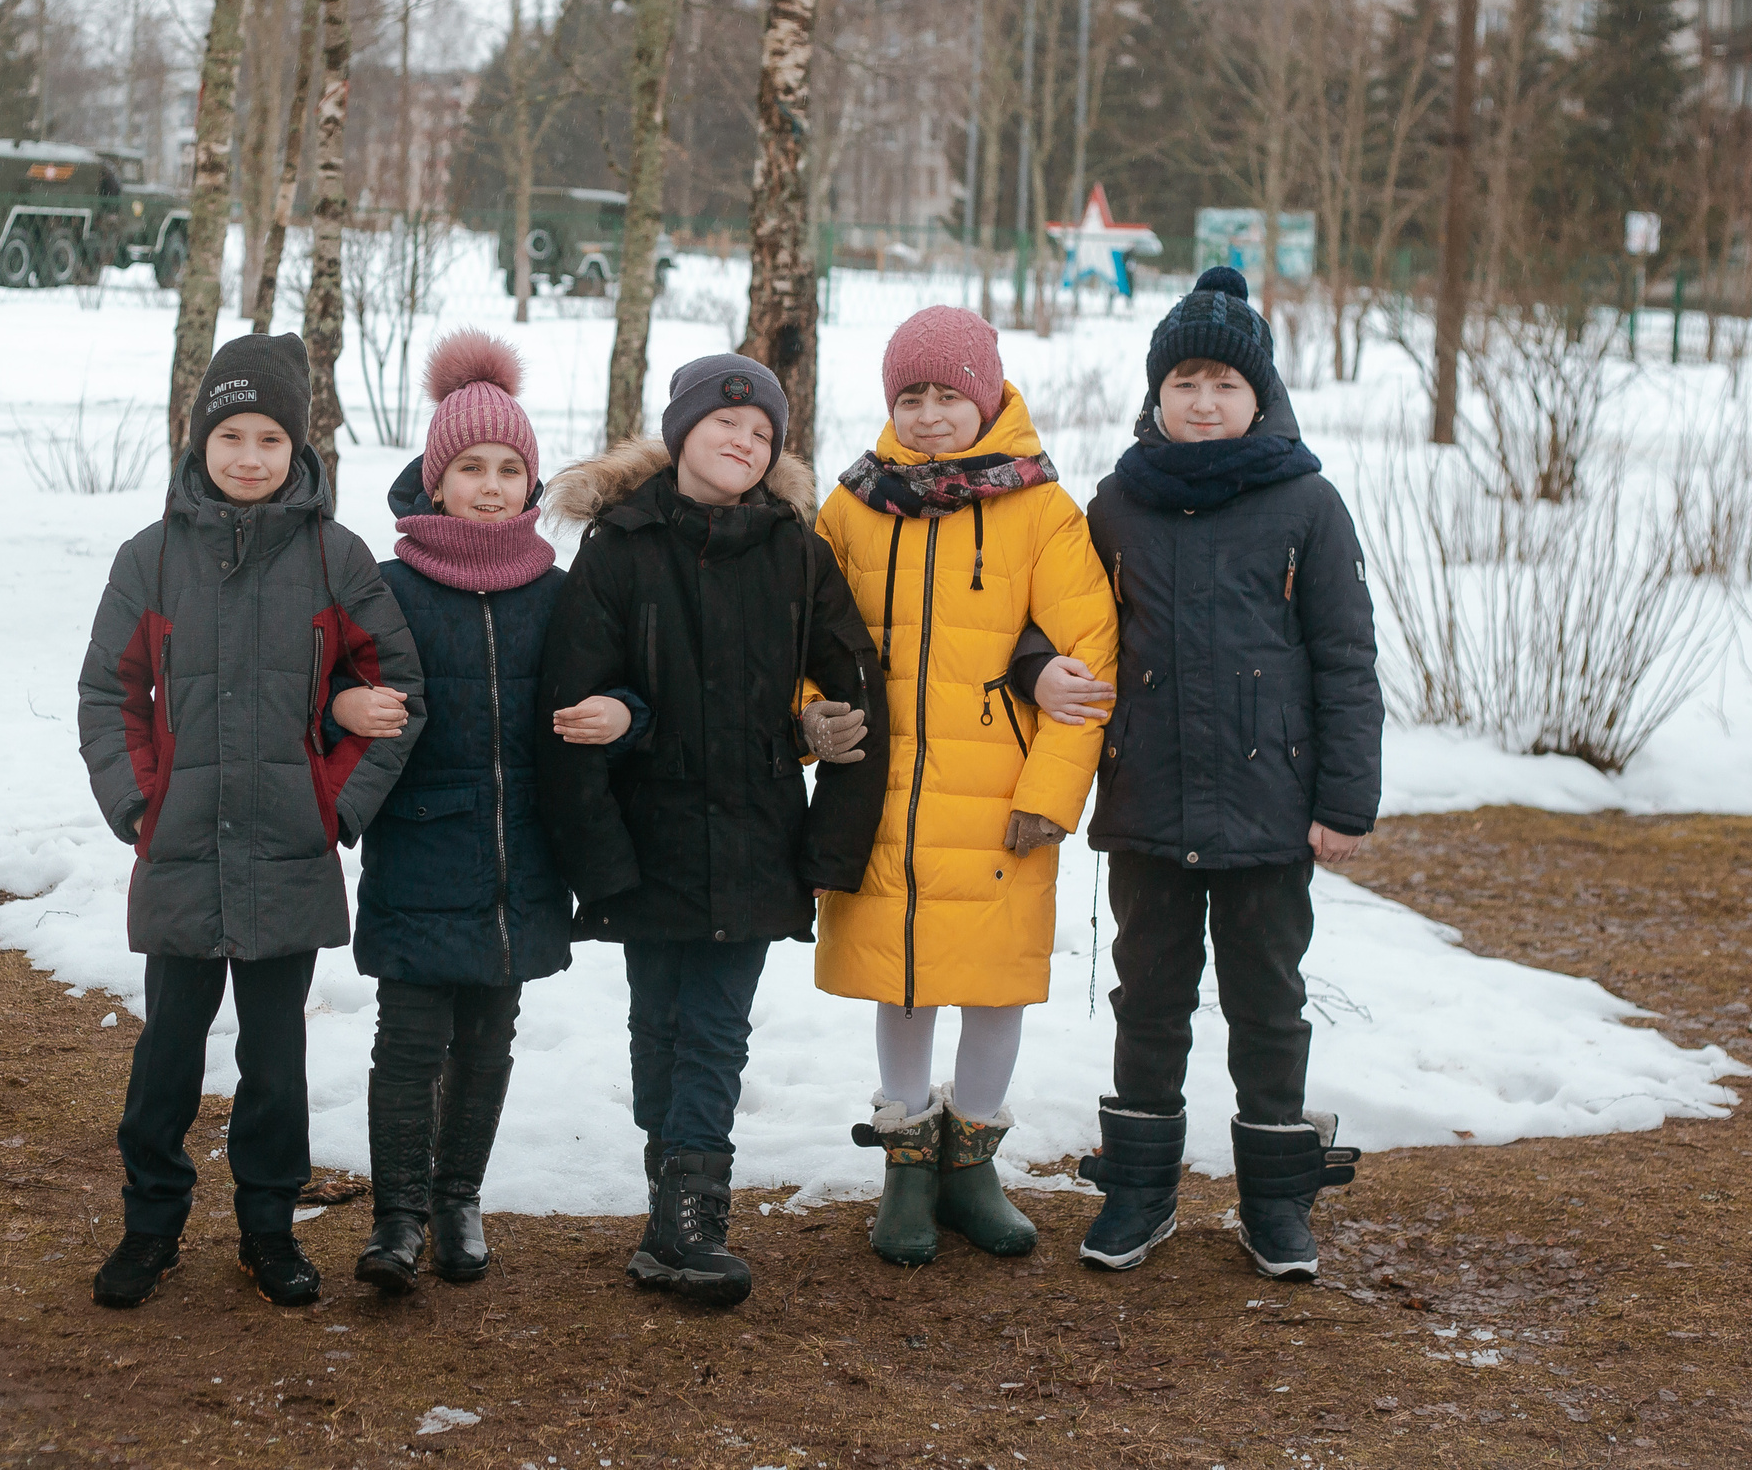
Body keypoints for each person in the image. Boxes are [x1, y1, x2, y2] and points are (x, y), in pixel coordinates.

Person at [76, 332, 425, 1311]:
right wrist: (139, 802)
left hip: (287, 853)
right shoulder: (149, 560)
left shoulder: (333, 558)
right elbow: (111, 694)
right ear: (199, 443)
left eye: (269, 437)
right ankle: (151, 1227)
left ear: (296, 448)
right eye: (230, 434)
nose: (248, 456)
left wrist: (336, 804)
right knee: (166, 1058)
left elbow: (397, 691)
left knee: (275, 1062)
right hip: (182, 853)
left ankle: (267, 1232)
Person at [538, 353, 890, 1308]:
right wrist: (598, 857)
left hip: (755, 833)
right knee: (659, 1019)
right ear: (682, 431)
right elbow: (571, 706)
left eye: (762, 433)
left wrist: (825, 792)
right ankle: (670, 1201)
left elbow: (856, 679)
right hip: (645, 836)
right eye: (724, 424)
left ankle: (695, 1217)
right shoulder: (618, 549)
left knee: (716, 1029)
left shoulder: (794, 550)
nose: (742, 442)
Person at [1060, 265, 1382, 1282]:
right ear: (1155, 395)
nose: (1203, 401)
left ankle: (1276, 1204)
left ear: (1260, 396)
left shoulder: (1305, 504)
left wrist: (1343, 803)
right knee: (1146, 998)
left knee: (1267, 1002)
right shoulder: (1114, 506)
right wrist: (1040, 669)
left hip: (1268, 815)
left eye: (1224, 385)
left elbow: (1344, 657)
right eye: (1184, 382)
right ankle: (1139, 1191)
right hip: (1148, 803)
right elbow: (1059, 624)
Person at [808, 306, 1119, 1266]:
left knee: (992, 978)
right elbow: (804, 629)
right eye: (912, 396)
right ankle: (906, 1162)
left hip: (999, 793)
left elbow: (1088, 655)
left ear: (985, 397)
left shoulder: (1040, 510)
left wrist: (1051, 792)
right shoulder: (852, 505)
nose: (932, 414)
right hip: (885, 786)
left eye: (949, 395)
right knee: (901, 973)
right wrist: (809, 713)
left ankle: (973, 1158)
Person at [347, 331, 651, 1294]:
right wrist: (340, 707)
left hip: (525, 858)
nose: (490, 484)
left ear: (531, 484)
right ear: (435, 480)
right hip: (420, 850)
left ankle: (457, 1197)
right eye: (470, 466)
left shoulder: (559, 595)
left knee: (489, 1036)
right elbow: (335, 694)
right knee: (408, 1037)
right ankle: (395, 1215)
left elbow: (630, 692)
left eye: (510, 467)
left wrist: (625, 715)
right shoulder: (387, 589)